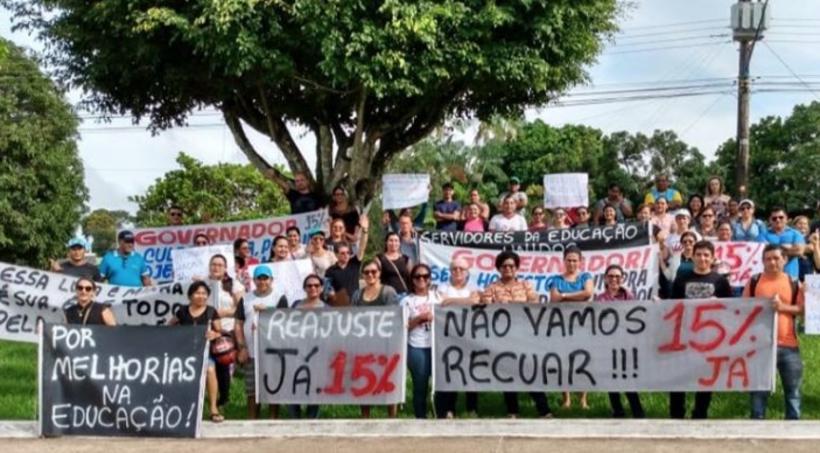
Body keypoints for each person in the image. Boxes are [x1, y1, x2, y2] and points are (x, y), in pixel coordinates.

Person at [481, 251, 551, 418]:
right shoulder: (492, 288)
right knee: (508, 372)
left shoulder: (526, 286)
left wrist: (510, 303)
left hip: (524, 335)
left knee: (530, 370)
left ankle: (544, 410)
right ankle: (512, 410)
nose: (508, 269)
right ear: (499, 268)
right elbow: (486, 306)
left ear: (517, 268)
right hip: (503, 336)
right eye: (504, 266)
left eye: (512, 266)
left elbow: (534, 303)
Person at [669, 240, 732, 419]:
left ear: (712, 258)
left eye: (706, 255)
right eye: (698, 254)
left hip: (710, 340)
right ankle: (676, 415)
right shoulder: (681, 279)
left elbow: (731, 309)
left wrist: (718, 304)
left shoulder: (720, 281)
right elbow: (672, 306)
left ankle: (700, 414)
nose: (702, 258)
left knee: (705, 378)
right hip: (684, 337)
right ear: (693, 256)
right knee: (678, 377)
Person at [743, 245, 805, 420]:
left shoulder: (794, 282)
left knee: (793, 392)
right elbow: (742, 309)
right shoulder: (754, 281)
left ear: (784, 260)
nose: (772, 262)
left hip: (789, 346)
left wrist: (782, 307)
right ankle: (757, 428)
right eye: (768, 259)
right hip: (760, 346)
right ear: (762, 261)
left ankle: (792, 432)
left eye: (776, 258)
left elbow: (802, 309)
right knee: (758, 393)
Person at [351, 259, 401, 418]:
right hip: (362, 344)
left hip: (385, 344)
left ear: (380, 273)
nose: (370, 274)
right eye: (367, 272)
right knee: (363, 379)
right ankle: (365, 416)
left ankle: (391, 417)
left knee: (388, 378)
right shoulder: (357, 294)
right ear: (363, 275)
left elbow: (391, 317)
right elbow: (352, 318)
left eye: (374, 271)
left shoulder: (388, 291)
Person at [234, 265, 284, 419]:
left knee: (273, 388)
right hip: (252, 350)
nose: (263, 281)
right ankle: (252, 421)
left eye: (265, 278)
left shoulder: (280, 297)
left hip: (273, 350)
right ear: (254, 280)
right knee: (252, 390)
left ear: (271, 280)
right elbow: (238, 324)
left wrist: (267, 310)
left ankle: (273, 420)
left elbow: (285, 320)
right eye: (259, 278)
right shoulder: (245, 299)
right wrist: (242, 347)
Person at [169, 281, 224, 422]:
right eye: (197, 293)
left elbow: (220, 332)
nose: (201, 296)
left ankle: (213, 408)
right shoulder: (182, 311)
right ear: (190, 296)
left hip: (204, 353)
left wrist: (215, 334)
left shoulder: (212, 311)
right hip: (184, 354)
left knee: (210, 370)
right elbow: (170, 326)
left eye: (204, 293)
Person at [594, 265, 644, 418]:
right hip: (608, 344)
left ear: (623, 278)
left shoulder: (629, 296)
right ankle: (618, 411)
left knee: (628, 379)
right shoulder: (599, 299)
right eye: (611, 276)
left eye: (617, 276)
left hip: (626, 344)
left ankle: (638, 412)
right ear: (605, 279)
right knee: (611, 378)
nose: (614, 279)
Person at [434, 257, 481, 419]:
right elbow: (442, 303)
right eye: (454, 269)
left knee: (471, 371)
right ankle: (449, 409)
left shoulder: (474, 287)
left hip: (470, 336)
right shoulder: (443, 286)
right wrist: (465, 301)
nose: (458, 272)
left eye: (461, 269)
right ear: (450, 271)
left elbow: (475, 302)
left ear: (467, 272)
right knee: (451, 372)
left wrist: (453, 300)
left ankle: (472, 408)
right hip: (448, 337)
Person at [549, 246, 594, 410]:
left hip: (583, 325)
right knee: (564, 362)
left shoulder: (586, 277)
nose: (572, 263)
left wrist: (565, 296)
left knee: (583, 361)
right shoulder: (556, 279)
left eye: (575, 260)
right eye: (569, 260)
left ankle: (583, 399)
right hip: (561, 326)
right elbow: (554, 299)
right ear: (564, 261)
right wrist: (577, 296)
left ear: (580, 261)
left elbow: (588, 293)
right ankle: (566, 399)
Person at [207, 254, 244, 408]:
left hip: (226, 329)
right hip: (207, 330)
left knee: (223, 364)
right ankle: (208, 396)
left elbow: (240, 307)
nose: (216, 267)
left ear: (225, 268)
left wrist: (225, 313)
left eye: (220, 265)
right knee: (209, 366)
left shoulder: (235, 285)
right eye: (213, 264)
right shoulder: (204, 283)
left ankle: (224, 397)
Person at [288, 274, 327, 418]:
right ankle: (294, 418)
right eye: (309, 285)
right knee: (293, 386)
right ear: (304, 288)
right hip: (295, 352)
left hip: (317, 354)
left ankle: (312, 418)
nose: (313, 288)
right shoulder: (295, 305)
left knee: (315, 387)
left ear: (321, 288)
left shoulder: (327, 309)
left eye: (316, 285)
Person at [404, 263, 440, 419]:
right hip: (416, 346)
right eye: (417, 276)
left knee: (440, 384)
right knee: (420, 385)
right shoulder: (407, 301)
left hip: (437, 346)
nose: (421, 279)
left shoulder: (437, 297)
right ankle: (420, 417)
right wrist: (419, 318)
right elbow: (403, 327)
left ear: (430, 279)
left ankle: (441, 414)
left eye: (425, 276)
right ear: (412, 280)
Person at [326, 217, 369, 306]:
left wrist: (365, 230)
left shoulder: (354, 263)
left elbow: (362, 247)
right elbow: (328, 289)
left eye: (348, 253)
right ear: (336, 255)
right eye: (342, 253)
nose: (346, 255)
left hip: (356, 304)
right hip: (338, 306)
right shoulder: (330, 270)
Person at [762, 207, 806, 280]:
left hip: (791, 277)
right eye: (774, 218)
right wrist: (788, 247)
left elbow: (799, 251)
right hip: (769, 277)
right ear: (770, 220)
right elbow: (762, 252)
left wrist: (772, 248)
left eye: (781, 217)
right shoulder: (763, 234)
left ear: (786, 219)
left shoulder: (796, 233)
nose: (778, 220)